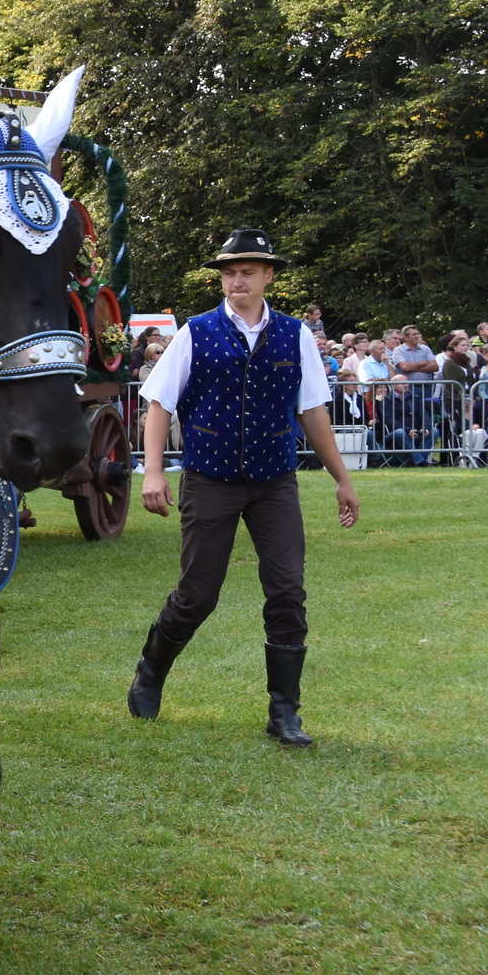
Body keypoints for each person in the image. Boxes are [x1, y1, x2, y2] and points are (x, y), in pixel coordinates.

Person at [127, 229, 359, 747]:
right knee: (197, 596)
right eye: (230, 272)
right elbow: (159, 404)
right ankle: (150, 669)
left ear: (268, 276)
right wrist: (155, 472)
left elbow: (313, 411)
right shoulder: (195, 331)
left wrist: (342, 479)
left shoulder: (295, 334)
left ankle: (284, 713)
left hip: (274, 482)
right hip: (210, 479)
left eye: (248, 272)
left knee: (287, 591)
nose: (237, 281)